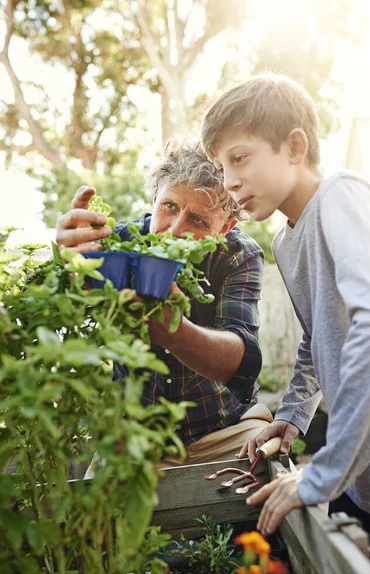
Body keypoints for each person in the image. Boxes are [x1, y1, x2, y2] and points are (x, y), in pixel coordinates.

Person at [201, 72, 370, 574]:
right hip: (360, 482)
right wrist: (293, 415)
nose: (228, 182)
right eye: (220, 168)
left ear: (294, 146)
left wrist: (321, 474)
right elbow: (316, 336)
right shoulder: (286, 242)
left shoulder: (342, 195)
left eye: (239, 158)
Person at [56, 138, 272, 468]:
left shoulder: (239, 255)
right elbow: (73, 303)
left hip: (225, 431)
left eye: (198, 220)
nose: (174, 230)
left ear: (224, 227)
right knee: (98, 511)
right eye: (169, 207)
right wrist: (73, 267)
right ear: (155, 196)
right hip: (135, 438)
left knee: (270, 475)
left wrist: (173, 330)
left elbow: (242, 361)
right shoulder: (119, 243)